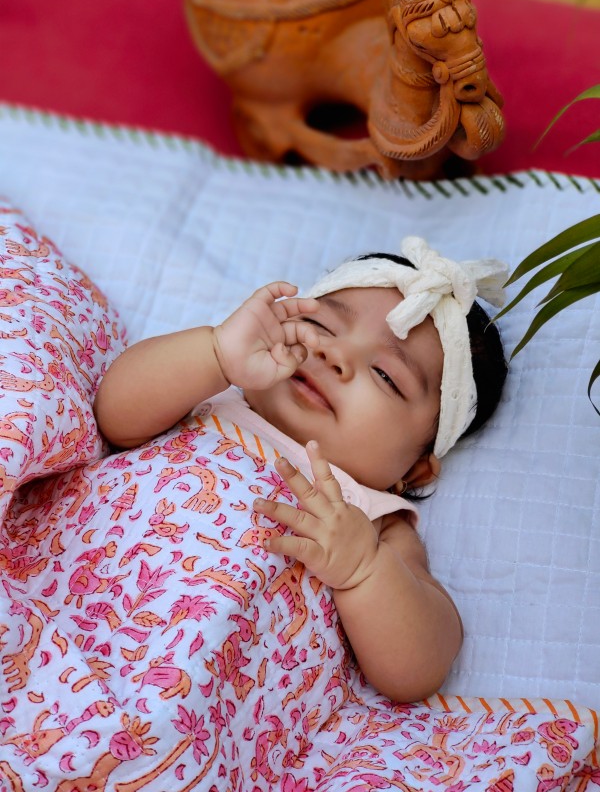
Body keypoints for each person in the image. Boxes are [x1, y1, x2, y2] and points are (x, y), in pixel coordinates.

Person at [93, 236, 508, 703]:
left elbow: (418, 669)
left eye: (386, 375)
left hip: (181, 693)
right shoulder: (208, 394)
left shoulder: (369, 523)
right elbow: (114, 415)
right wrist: (216, 354)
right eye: (319, 326)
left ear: (413, 471)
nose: (333, 354)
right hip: (74, 596)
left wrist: (363, 569)